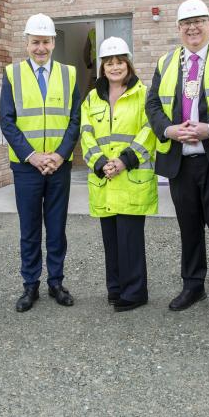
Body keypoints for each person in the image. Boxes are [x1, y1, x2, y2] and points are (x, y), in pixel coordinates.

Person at [145, 0, 209, 318]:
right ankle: (192, 285)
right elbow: (153, 106)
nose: (193, 27)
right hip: (181, 161)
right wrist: (170, 130)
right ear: (178, 29)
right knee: (188, 227)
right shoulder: (165, 62)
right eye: (186, 23)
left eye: (199, 21)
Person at [0, 13, 81, 312]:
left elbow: (75, 119)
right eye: (35, 42)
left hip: (59, 165)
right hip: (27, 167)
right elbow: (7, 122)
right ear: (27, 43)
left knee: (57, 227)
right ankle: (30, 285)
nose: (41, 48)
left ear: (53, 42)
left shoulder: (69, 74)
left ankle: (56, 282)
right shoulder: (12, 74)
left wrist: (59, 155)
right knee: (30, 228)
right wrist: (32, 156)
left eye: (45, 42)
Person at [80, 37, 157, 312]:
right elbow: (86, 133)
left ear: (128, 64)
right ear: (102, 67)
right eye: (109, 62)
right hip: (105, 178)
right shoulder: (92, 97)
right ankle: (115, 289)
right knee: (110, 241)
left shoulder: (144, 94)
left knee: (130, 240)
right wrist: (100, 162)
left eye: (119, 61)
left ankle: (135, 292)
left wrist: (124, 160)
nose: (115, 67)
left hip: (131, 177)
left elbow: (149, 132)